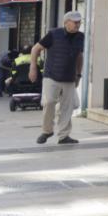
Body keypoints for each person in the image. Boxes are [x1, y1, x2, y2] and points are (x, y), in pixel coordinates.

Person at [32, 10, 86, 145]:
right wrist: (33, 67)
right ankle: (47, 131)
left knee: (67, 107)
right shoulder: (53, 34)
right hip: (51, 76)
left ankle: (64, 136)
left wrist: (78, 75)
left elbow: (79, 56)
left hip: (69, 77)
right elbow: (35, 49)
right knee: (49, 102)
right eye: (75, 22)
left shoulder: (81, 37)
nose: (78, 24)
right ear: (66, 23)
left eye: (79, 22)